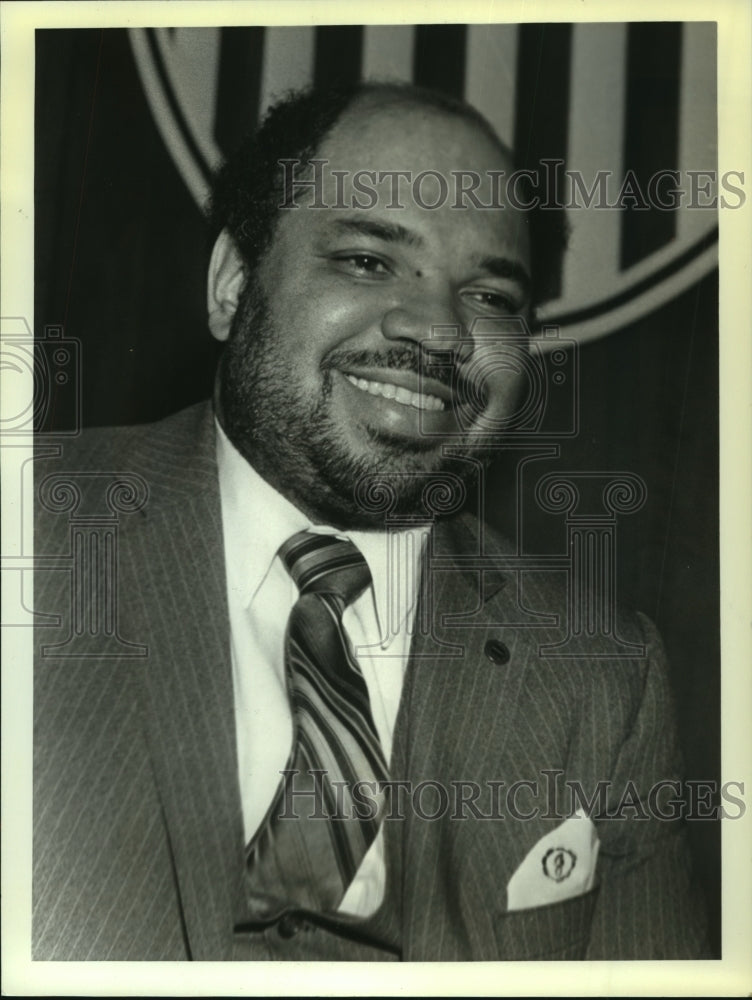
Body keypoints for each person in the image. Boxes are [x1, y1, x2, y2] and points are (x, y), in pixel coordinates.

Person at [32, 82, 710, 961]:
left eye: (493, 297)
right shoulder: (33, 534)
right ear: (234, 283)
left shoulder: (602, 679)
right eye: (367, 261)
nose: (437, 330)